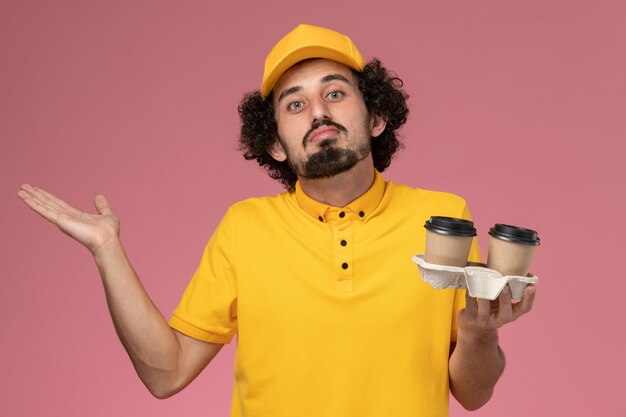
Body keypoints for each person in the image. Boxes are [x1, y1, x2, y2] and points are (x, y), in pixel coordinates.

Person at [18, 24, 535, 417]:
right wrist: (107, 250)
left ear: (375, 117)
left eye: (335, 93)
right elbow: (166, 373)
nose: (317, 112)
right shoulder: (244, 228)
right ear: (275, 145)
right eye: (295, 103)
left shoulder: (442, 218)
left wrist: (476, 335)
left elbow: (473, 392)